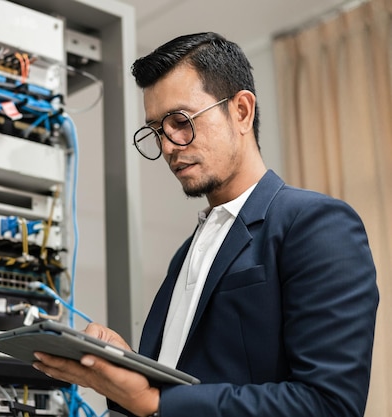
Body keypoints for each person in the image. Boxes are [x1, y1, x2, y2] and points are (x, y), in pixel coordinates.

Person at [32, 32, 379, 417]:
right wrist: (126, 366)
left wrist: (153, 402)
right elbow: (180, 383)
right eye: (157, 130)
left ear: (241, 111)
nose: (167, 146)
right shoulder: (187, 252)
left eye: (181, 121)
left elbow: (330, 405)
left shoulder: (315, 224)